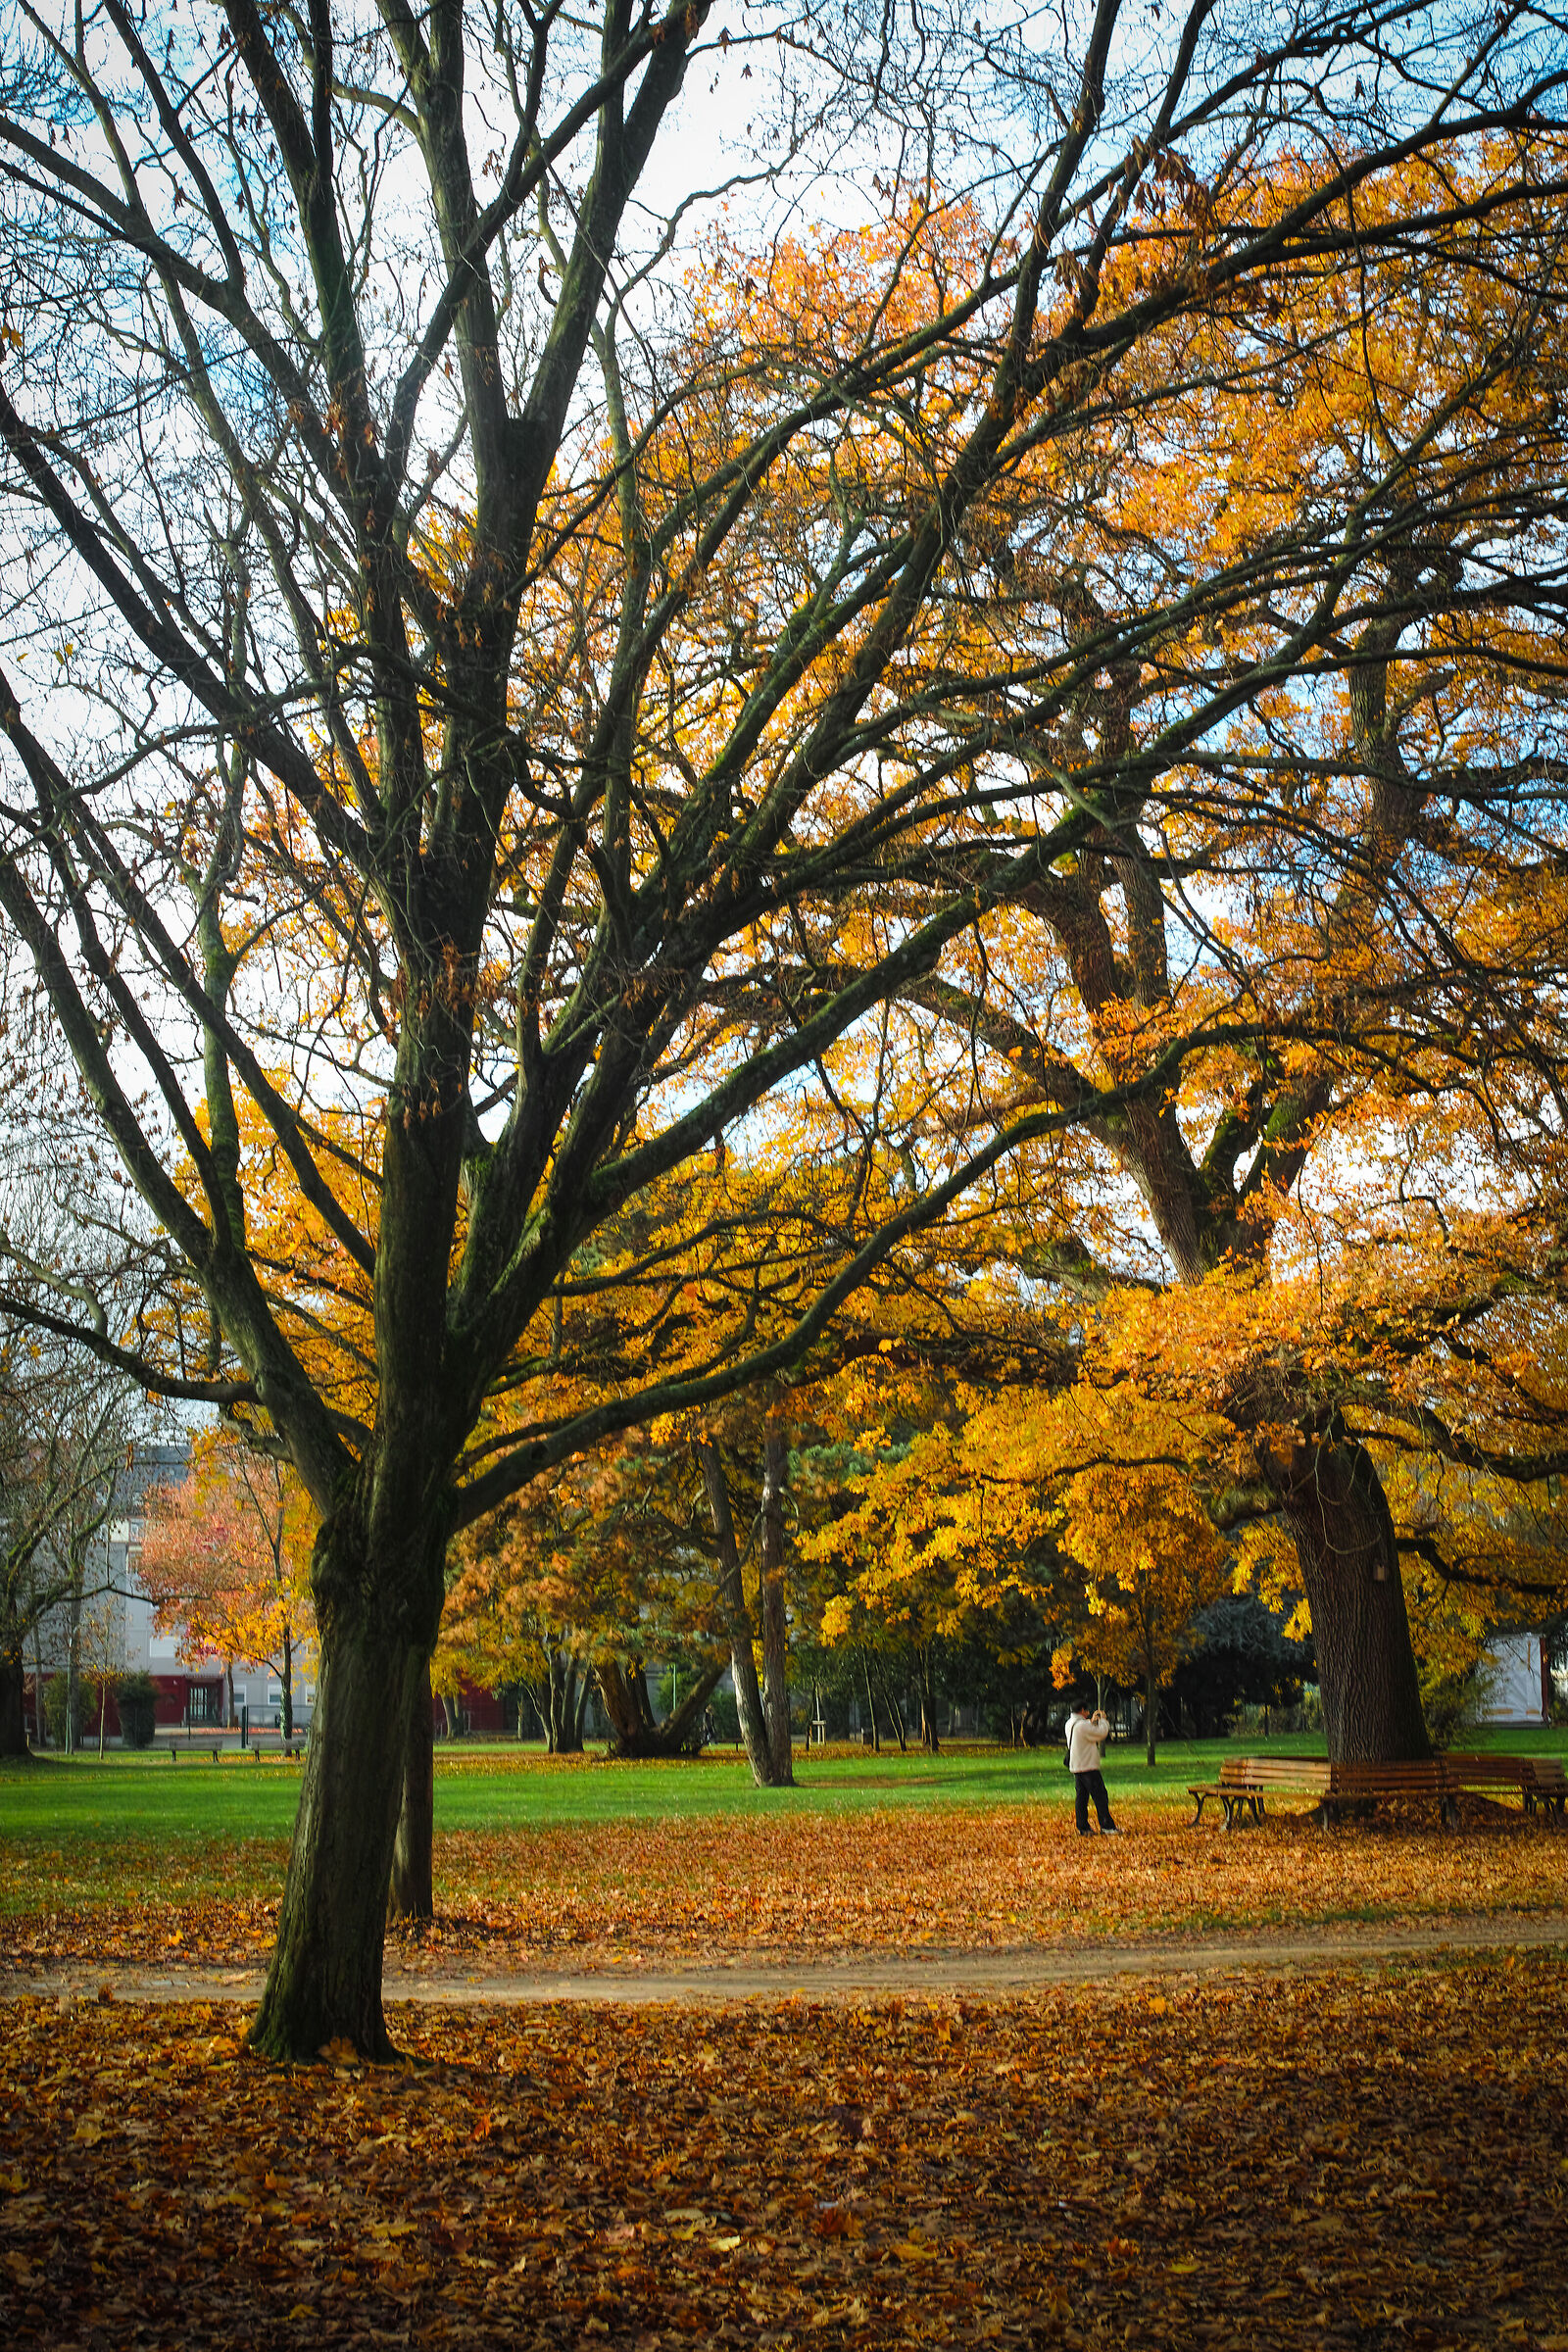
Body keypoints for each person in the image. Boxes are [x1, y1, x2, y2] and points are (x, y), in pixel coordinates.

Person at [1065, 1698, 1121, 1837]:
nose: (1088, 1713)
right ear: (1082, 1710)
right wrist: (1103, 1720)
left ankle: (1083, 1827)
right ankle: (1107, 1826)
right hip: (1088, 1767)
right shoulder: (1082, 1725)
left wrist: (1092, 1721)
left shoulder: (1070, 1723)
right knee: (1100, 1796)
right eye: (1087, 1711)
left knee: (1081, 1798)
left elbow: (1088, 1732)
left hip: (1077, 1766)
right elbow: (1101, 1733)